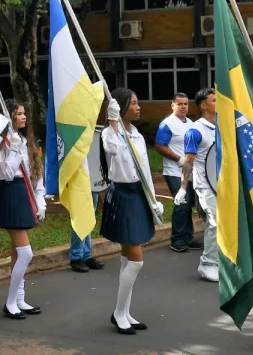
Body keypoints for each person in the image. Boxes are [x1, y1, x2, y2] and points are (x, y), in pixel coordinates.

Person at [100, 88, 164, 334]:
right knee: (136, 261)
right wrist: (113, 121)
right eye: (134, 103)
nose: (139, 107)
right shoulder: (110, 133)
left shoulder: (136, 134)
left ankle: (125, 312)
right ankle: (118, 312)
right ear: (122, 107)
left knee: (127, 258)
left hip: (138, 195)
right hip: (123, 196)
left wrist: (153, 199)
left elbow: (146, 171)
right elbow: (113, 151)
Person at [0, 100, 46, 319]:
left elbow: (36, 173)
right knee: (25, 253)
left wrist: (40, 202)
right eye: (19, 114)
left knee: (17, 252)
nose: (23, 117)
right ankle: (11, 302)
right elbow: (5, 173)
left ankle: (20, 299)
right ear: (9, 117)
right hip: (10, 192)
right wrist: (13, 149)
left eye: (24, 114)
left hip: (24, 193)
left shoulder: (26, 140)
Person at [178, 88, 219, 282]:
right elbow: (188, 162)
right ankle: (207, 263)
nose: (218, 103)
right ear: (204, 105)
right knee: (214, 221)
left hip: (222, 184)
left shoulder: (220, 126)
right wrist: (183, 188)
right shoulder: (195, 130)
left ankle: (220, 261)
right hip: (204, 184)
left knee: (224, 224)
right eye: (214, 100)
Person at [155, 93, 199, 253]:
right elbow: (160, 146)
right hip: (174, 171)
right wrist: (178, 159)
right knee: (182, 203)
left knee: (188, 205)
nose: (183, 107)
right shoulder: (167, 124)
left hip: (190, 172)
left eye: (186, 104)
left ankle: (188, 237)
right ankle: (176, 239)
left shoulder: (191, 124)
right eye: (179, 104)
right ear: (172, 105)